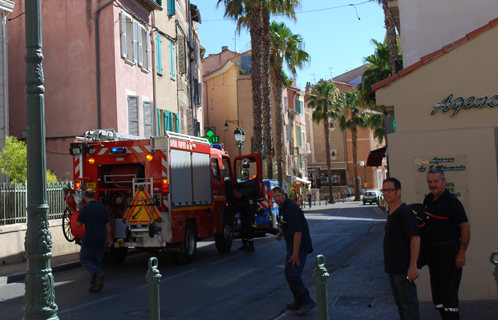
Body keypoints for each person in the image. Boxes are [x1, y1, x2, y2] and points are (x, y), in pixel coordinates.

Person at [424, 168, 470, 320]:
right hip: (433, 253)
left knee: (448, 294)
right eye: (430, 182)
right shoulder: (428, 200)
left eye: (436, 181)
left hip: (450, 251)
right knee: (437, 297)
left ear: (444, 182)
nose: (433, 185)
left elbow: (465, 227)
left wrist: (461, 253)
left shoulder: (452, 202)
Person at [271, 187, 316, 316]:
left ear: (284, 195)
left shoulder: (291, 209)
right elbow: (285, 224)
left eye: (278, 196)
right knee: (289, 273)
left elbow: (298, 233)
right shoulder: (283, 207)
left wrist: (295, 254)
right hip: (292, 245)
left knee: (293, 274)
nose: (276, 198)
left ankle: (307, 301)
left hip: (299, 246)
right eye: (274, 196)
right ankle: (298, 301)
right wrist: (280, 234)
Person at [382, 178, 421, 320]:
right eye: (384, 190)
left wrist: (412, 266)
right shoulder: (392, 212)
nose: (386, 194)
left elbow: (415, 238)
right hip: (393, 268)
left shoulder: (405, 212)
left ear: (398, 192)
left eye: (390, 190)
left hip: (403, 268)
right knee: (401, 304)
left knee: (408, 304)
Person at [77, 189, 112, 292]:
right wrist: (108, 239)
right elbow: (108, 225)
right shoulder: (102, 208)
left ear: (86, 197)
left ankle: (98, 274)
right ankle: (95, 284)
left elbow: (78, 224)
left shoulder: (85, 208)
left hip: (90, 239)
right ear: (94, 196)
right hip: (101, 238)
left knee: (84, 259)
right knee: (96, 261)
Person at [233, 188, 255, 252]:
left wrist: (260, 212)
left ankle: (251, 246)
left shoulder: (246, 198)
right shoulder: (236, 200)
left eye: (236, 194)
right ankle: (244, 245)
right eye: (234, 195)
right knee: (243, 231)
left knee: (248, 231)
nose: (236, 196)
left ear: (239, 192)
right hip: (243, 216)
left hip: (248, 216)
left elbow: (252, 206)